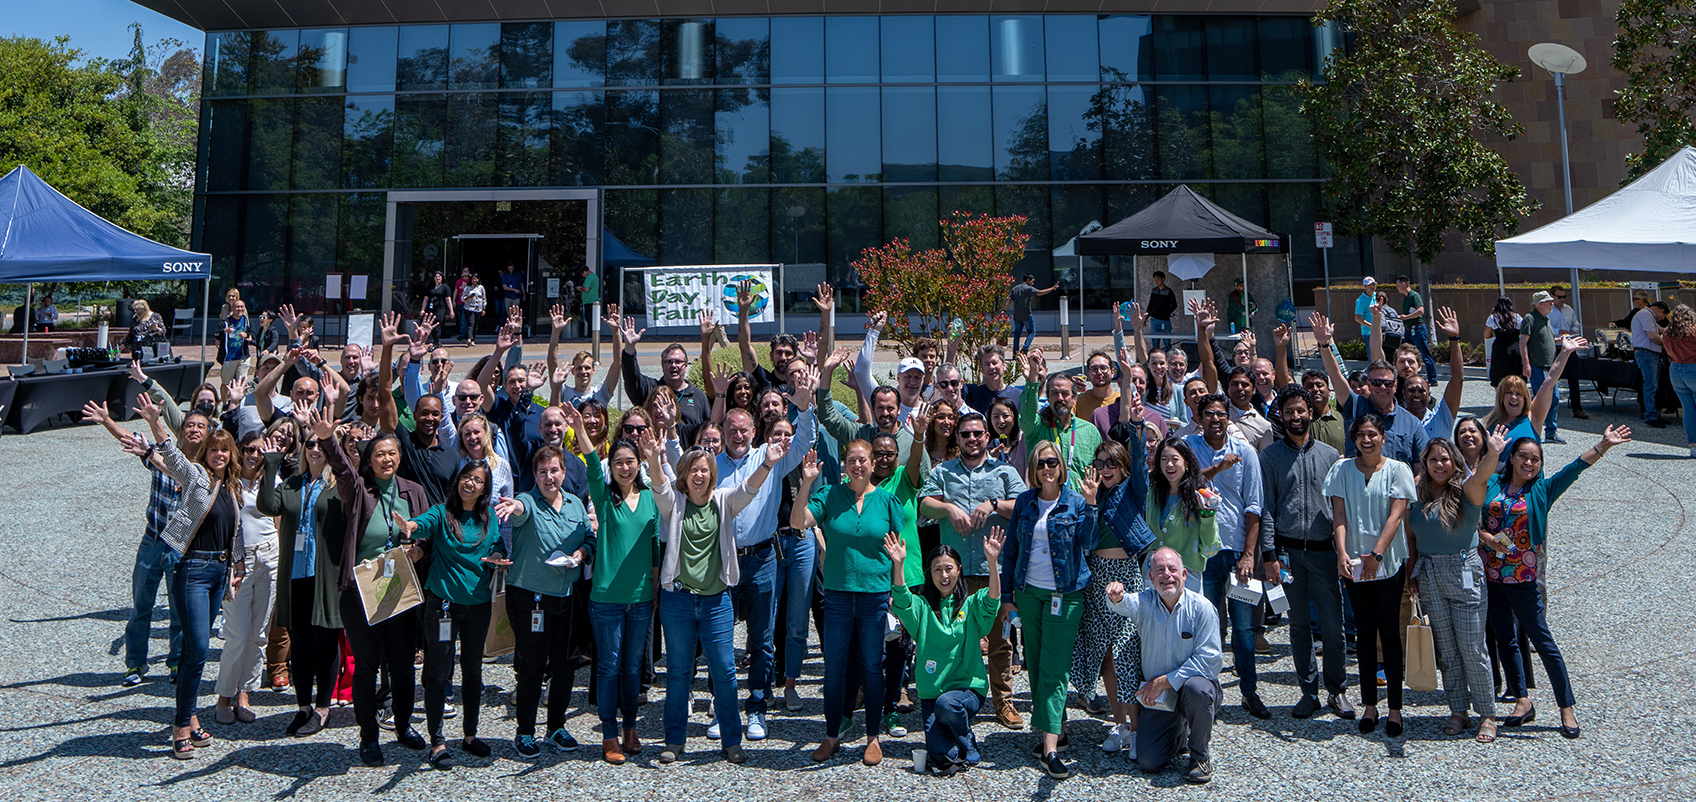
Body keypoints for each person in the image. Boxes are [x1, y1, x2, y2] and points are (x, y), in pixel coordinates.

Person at [1482, 426, 1630, 740]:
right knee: (1505, 640)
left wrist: (1603, 445)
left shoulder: (1543, 490)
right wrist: (1486, 537)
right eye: (1524, 456)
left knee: (1544, 643)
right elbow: (1473, 517)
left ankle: (1566, 707)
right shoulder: (1492, 483)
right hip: (1492, 577)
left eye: (1535, 459)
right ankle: (1522, 700)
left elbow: (1575, 468)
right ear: (1512, 458)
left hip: (1523, 580)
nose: (1529, 462)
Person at [648, 432, 784, 765]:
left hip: (717, 602)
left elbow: (749, 489)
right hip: (678, 601)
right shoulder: (675, 502)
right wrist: (653, 458)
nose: (699, 475)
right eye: (693, 469)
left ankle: (731, 740)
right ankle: (674, 740)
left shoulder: (723, 500)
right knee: (679, 672)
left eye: (704, 469)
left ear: (712, 474)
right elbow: (659, 487)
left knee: (724, 671)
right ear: (684, 474)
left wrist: (767, 463)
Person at [120, 394, 239, 760]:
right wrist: (156, 421)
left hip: (219, 572)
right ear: (205, 453)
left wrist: (236, 569)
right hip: (194, 571)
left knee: (193, 650)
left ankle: (191, 715)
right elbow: (171, 456)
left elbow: (234, 534)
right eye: (213, 449)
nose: (219, 454)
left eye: (224, 450)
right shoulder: (198, 478)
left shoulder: (231, 488)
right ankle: (180, 726)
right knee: (199, 648)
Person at [317, 415, 433, 767]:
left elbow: (427, 530)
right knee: (367, 666)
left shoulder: (413, 491)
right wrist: (328, 439)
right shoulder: (359, 489)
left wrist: (419, 550)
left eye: (392, 453)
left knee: (402, 664)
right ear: (369, 459)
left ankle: (403, 725)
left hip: (399, 585)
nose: (386, 459)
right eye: (379, 454)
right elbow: (342, 469)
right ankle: (368, 736)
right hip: (361, 590)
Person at [791, 442, 905, 766]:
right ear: (844, 464)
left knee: (872, 665)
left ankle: (872, 737)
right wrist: (807, 483)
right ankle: (831, 735)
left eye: (863, 460)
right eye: (852, 460)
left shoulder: (887, 501)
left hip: (875, 595)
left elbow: (898, 550)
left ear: (873, 464)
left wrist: (897, 590)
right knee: (835, 668)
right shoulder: (829, 495)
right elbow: (798, 521)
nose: (857, 465)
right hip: (838, 595)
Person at [390, 461, 509, 770]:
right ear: (458, 480)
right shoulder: (443, 513)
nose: (470, 483)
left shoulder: (489, 516)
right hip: (442, 604)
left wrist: (497, 558)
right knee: (439, 672)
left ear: (484, 489)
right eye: (467, 477)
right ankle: (437, 741)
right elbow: (423, 524)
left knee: (473, 671)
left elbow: (498, 545)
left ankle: (470, 735)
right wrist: (409, 527)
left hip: (478, 604)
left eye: (478, 480)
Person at [82, 399, 204, 689]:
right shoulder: (163, 455)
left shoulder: (206, 469)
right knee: (141, 606)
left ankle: (176, 661)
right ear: (180, 432)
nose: (194, 430)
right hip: (153, 540)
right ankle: (136, 663)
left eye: (201, 426)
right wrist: (107, 421)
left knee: (179, 610)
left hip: (183, 547)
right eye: (189, 425)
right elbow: (131, 439)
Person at [919, 411, 1027, 728]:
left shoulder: (1004, 472)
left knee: (1000, 641)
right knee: (955, 640)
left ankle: (1003, 702)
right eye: (965, 434)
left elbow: (1023, 506)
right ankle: (955, 699)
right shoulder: (944, 472)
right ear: (958, 438)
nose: (972, 439)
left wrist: (993, 504)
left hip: (994, 570)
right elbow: (924, 503)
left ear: (987, 437)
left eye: (977, 433)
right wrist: (948, 508)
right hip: (954, 575)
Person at [999, 440, 1095, 779]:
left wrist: (1092, 505)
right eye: (1040, 463)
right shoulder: (1025, 501)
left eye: (1052, 462)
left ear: (1061, 466)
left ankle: (1049, 748)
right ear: (1033, 469)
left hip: (1065, 595)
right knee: (1037, 665)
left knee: (1055, 669)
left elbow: (1089, 542)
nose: (1046, 469)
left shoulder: (1076, 501)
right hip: (1028, 593)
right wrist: (1006, 596)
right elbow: (1011, 550)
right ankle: (1059, 730)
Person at [1258, 386, 1354, 720]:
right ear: (1281, 416)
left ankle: (1337, 690)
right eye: (1289, 412)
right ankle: (1308, 692)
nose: (1296, 417)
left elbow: (1339, 508)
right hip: (1288, 554)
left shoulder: (1330, 455)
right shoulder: (1270, 457)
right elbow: (1267, 508)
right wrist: (1269, 555)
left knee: (1333, 625)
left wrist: (1343, 551)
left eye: (1301, 410)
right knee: (1298, 625)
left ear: (1311, 413)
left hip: (1324, 551)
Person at [495, 444, 596, 759]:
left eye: (554, 470)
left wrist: (581, 553)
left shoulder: (576, 504)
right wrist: (513, 506)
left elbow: (589, 538)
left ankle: (556, 727)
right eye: (542, 472)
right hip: (531, 597)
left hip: (566, 596)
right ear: (535, 475)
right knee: (533, 665)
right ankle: (525, 731)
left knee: (565, 666)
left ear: (564, 472)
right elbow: (520, 509)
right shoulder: (528, 501)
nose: (549, 477)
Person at [1325, 412, 1418, 737]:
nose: (1367, 440)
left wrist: (1377, 555)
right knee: (1364, 635)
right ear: (1354, 438)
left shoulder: (1398, 470)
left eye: (1372, 434)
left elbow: (1396, 515)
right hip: (1354, 564)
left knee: (1390, 634)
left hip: (1387, 563)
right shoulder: (1342, 470)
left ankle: (1395, 709)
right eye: (1361, 435)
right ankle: (1369, 705)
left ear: (1382, 437)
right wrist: (1341, 552)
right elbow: (1339, 513)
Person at [1408, 432, 1505, 743]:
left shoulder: (1466, 491)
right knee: (1448, 651)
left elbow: (1483, 476)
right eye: (1433, 459)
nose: (1439, 464)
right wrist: (1411, 576)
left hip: (1463, 571)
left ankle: (1487, 713)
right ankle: (1458, 710)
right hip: (1428, 573)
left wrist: (1493, 452)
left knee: (1472, 648)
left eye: (1445, 459)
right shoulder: (1416, 494)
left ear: (1455, 462)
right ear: (1425, 463)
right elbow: (1411, 538)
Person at [1071, 415, 1159, 755]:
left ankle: (1137, 730)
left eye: (1111, 463)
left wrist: (1136, 429)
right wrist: (1091, 503)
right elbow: (1087, 540)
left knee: (1125, 652)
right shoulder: (1093, 496)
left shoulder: (1133, 490)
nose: (1105, 468)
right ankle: (1119, 725)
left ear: (1122, 466)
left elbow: (1140, 467)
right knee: (1105, 655)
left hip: (1125, 575)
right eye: (1100, 463)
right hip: (1096, 577)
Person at [576, 411, 660, 764]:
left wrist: (655, 589)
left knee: (632, 667)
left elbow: (655, 546)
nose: (624, 468)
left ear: (639, 464)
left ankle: (630, 728)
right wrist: (579, 429)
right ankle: (609, 734)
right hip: (607, 597)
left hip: (641, 598)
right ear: (611, 467)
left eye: (630, 462)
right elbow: (591, 465)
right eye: (618, 463)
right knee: (608, 666)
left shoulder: (651, 497)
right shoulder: (605, 497)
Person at [257, 409, 344, 737]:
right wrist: (271, 464)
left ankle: (323, 707)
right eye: (310, 444)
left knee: (325, 640)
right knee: (301, 643)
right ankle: (303, 705)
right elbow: (267, 505)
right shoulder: (293, 484)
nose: (315, 449)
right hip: (295, 575)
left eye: (321, 444)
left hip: (324, 576)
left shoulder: (338, 486)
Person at [1104, 547, 1222, 784]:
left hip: (1192, 689)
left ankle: (1200, 756)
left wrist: (1164, 682)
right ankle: (1179, 732)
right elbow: (1124, 603)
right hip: (1160, 698)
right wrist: (1115, 596)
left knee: (1197, 690)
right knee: (1149, 762)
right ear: (1151, 577)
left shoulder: (1202, 608)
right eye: (1159, 570)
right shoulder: (1145, 601)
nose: (1166, 575)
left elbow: (1210, 660)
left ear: (1184, 574)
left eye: (1172, 569)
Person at [1182, 393, 1268, 718]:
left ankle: (1249, 691)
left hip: (1235, 550)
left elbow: (1254, 506)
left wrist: (1249, 554)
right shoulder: (1188, 448)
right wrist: (1217, 468)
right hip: (1202, 551)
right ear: (1199, 417)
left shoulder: (1246, 452)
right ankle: (1207, 693)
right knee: (1206, 625)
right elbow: (1184, 485)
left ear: (1228, 417)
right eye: (1209, 414)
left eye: (1221, 413)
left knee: (1244, 627)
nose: (1215, 419)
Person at [206, 429, 281, 729]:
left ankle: (245, 694)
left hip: (270, 557)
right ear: (240, 450)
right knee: (236, 635)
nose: (255, 455)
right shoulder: (227, 481)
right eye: (249, 449)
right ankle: (224, 696)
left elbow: (278, 521)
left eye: (261, 450)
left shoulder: (273, 480)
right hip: (239, 560)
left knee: (258, 634)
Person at [1312, 312, 1430, 466]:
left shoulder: (1412, 423)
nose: (1382, 387)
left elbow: (1421, 469)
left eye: (1387, 383)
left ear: (1395, 386)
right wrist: (1324, 345)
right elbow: (1336, 376)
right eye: (1376, 382)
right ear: (1368, 384)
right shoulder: (1355, 406)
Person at [619, 306, 711, 446]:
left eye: (678, 362)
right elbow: (632, 378)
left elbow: (708, 429)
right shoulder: (651, 390)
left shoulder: (698, 396)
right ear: (662, 366)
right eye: (669, 362)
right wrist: (630, 348)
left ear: (686, 365)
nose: (673, 366)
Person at [1019, 349, 1102, 491]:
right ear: (1048, 397)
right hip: (1043, 501)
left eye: (1065, 393)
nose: (1060, 398)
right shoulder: (1037, 427)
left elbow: (1100, 472)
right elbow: (1027, 416)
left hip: (1080, 502)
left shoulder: (1090, 432)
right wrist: (1032, 379)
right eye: (1055, 393)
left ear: (1074, 397)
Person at [1481, 335, 1585, 445]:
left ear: (1525, 398)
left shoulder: (1533, 416)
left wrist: (1564, 353)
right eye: (1509, 393)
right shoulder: (1491, 423)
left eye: (1519, 394)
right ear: (1501, 396)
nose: (1514, 397)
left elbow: (1549, 383)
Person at [1520, 291, 1568, 443]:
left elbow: (1544, 339)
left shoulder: (1546, 319)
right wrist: (1526, 363)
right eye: (1549, 302)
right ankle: (1535, 431)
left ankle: (1550, 432)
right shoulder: (1530, 318)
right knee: (1541, 399)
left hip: (1549, 366)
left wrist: (1559, 340)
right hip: (1538, 366)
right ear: (1540, 304)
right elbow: (1523, 342)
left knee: (1554, 398)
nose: (1552, 304)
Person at [1547, 285, 1588, 420]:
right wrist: (1559, 331)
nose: (1562, 300)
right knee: (1552, 379)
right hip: (1555, 348)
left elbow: (1576, 323)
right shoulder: (1548, 311)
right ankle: (1549, 408)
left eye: (1564, 297)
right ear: (1552, 297)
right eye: (1559, 297)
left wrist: (1574, 330)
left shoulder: (1568, 309)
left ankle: (1577, 408)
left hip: (1569, 347)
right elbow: (1546, 328)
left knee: (1574, 378)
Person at [1663, 304, 1696, 457]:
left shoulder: (1667, 332)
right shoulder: (1693, 331)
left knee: (1688, 409)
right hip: (1693, 368)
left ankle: (1693, 446)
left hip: (1675, 370)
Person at [1632, 300, 1670, 429]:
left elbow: (1662, 331)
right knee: (1650, 385)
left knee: (1653, 385)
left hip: (1649, 354)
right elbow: (1653, 336)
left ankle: (1654, 414)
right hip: (1646, 353)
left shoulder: (1649, 316)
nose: (1663, 318)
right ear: (1661, 310)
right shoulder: (1646, 314)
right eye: (1664, 315)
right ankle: (1651, 416)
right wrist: (1668, 346)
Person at [1394, 274, 1436, 383]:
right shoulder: (1405, 297)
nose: (1397, 288)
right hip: (1408, 330)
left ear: (1404, 284)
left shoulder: (1414, 295)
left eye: (1398, 285)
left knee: (1424, 354)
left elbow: (1420, 311)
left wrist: (1406, 317)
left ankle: (1432, 379)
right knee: (1405, 352)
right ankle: (1406, 378)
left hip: (1417, 329)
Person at [964, 343, 1024, 413]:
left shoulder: (1018, 395)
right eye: (987, 364)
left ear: (1004, 365)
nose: (991, 367)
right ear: (982, 369)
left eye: (994, 363)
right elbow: (952, 382)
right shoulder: (974, 394)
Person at [1007, 274, 1057, 353]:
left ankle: (1015, 353)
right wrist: (1052, 288)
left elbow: (1009, 300)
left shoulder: (1015, 288)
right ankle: (1025, 348)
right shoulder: (1028, 289)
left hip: (1017, 316)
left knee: (1017, 334)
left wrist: (1004, 310)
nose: (1033, 283)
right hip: (1026, 315)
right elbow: (1040, 292)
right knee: (1032, 332)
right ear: (1028, 280)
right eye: (1032, 281)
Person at [1486, 297, 1522, 387]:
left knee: (1498, 378)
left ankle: (1501, 395)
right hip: (1515, 348)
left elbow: (1486, 335)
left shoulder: (1493, 318)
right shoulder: (1517, 317)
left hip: (1500, 349)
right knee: (1517, 377)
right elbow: (1523, 332)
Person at [1075, 350, 1119, 424]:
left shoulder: (1120, 401)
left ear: (1112, 373)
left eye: (1103, 368)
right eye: (1094, 369)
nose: (1099, 372)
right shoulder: (1078, 401)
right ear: (1088, 374)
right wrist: (1069, 388)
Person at [1146, 270, 1178, 351]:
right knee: (1155, 342)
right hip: (1154, 319)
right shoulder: (1154, 290)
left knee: (1167, 342)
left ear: (1163, 279)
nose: (1156, 281)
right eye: (1155, 280)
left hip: (1165, 320)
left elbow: (1174, 305)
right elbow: (1151, 304)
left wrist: (1167, 312)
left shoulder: (1168, 291)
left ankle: (1168, 356)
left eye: (1158, 279)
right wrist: (1146, 316)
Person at [500, 263, 526, 335]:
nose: (511, 269)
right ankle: (509, 329)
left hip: (517, 297)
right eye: (509, 267)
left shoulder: (518, 275)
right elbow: (504, 287)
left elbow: (521, 285)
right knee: (508, 313)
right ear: (507, 268)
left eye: (512, 267)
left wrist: (524, 295)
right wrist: (514, 290)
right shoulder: (505, 276)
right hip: (508, 297)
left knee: (515, 313)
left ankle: (516, 329)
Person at [462, 274, 487, 345]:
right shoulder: (467, 288)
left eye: (475, 279)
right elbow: (462, 298)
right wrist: (469, 297)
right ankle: (469, 338)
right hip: (469, 308)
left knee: (476, 324)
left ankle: (473, 338)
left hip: (478, 308)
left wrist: (484, 309)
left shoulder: (481, 288)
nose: (474, 280)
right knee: (471, 323)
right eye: (473, 279)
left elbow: (484, 299)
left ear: (478, 279)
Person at [1353, 276, 1378, 342]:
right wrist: (1372, 326)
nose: (1372, 287)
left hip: (1379, 331)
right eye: (1369, 285)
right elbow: (1357, 318)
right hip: (1368, 333)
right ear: (1364, 286)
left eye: (1373, 284)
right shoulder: (1360, 300)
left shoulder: (1377, 296)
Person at [453, 267, 472, 342]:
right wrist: (453, 300)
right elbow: (456, 291)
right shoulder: (459, 281)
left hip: (467, 302)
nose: (465, 272)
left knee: (464, 319)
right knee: (460, 318)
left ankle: (462, 334)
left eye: (467, 271)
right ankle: (465, 333)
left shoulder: (470, 281)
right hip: (460, 302)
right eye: (464, 271)